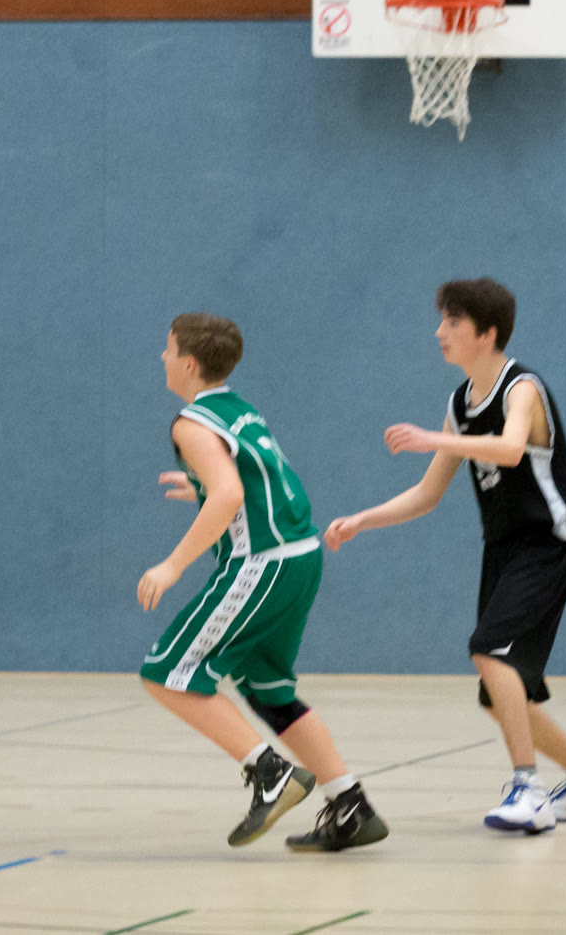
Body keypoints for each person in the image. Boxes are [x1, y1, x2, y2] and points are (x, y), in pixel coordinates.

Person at [326, 278, 566, 835]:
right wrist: (363, 519)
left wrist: (436, 439)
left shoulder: (521, 388)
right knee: (497, 693)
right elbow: (427, 494)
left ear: (486, 333)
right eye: (442, 320)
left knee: (489, 649)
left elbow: (509, 449)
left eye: (453, 322)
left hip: (548, 544)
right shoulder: (459, 404)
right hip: (503, 551)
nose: (440, 331)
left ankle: (527, 788)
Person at [138, 313, 388, 852]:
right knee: (269, 690)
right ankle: (350, 805)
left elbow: (229, 494)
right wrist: (202, 487)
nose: (162, 357)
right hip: (301, 557)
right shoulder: (239, 409)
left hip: (263, 564)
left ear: (189, 363)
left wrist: (172, 565)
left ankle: (270, 773)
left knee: (168, 673)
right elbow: (259, 479)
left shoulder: (190, 423)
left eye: (168, 349)